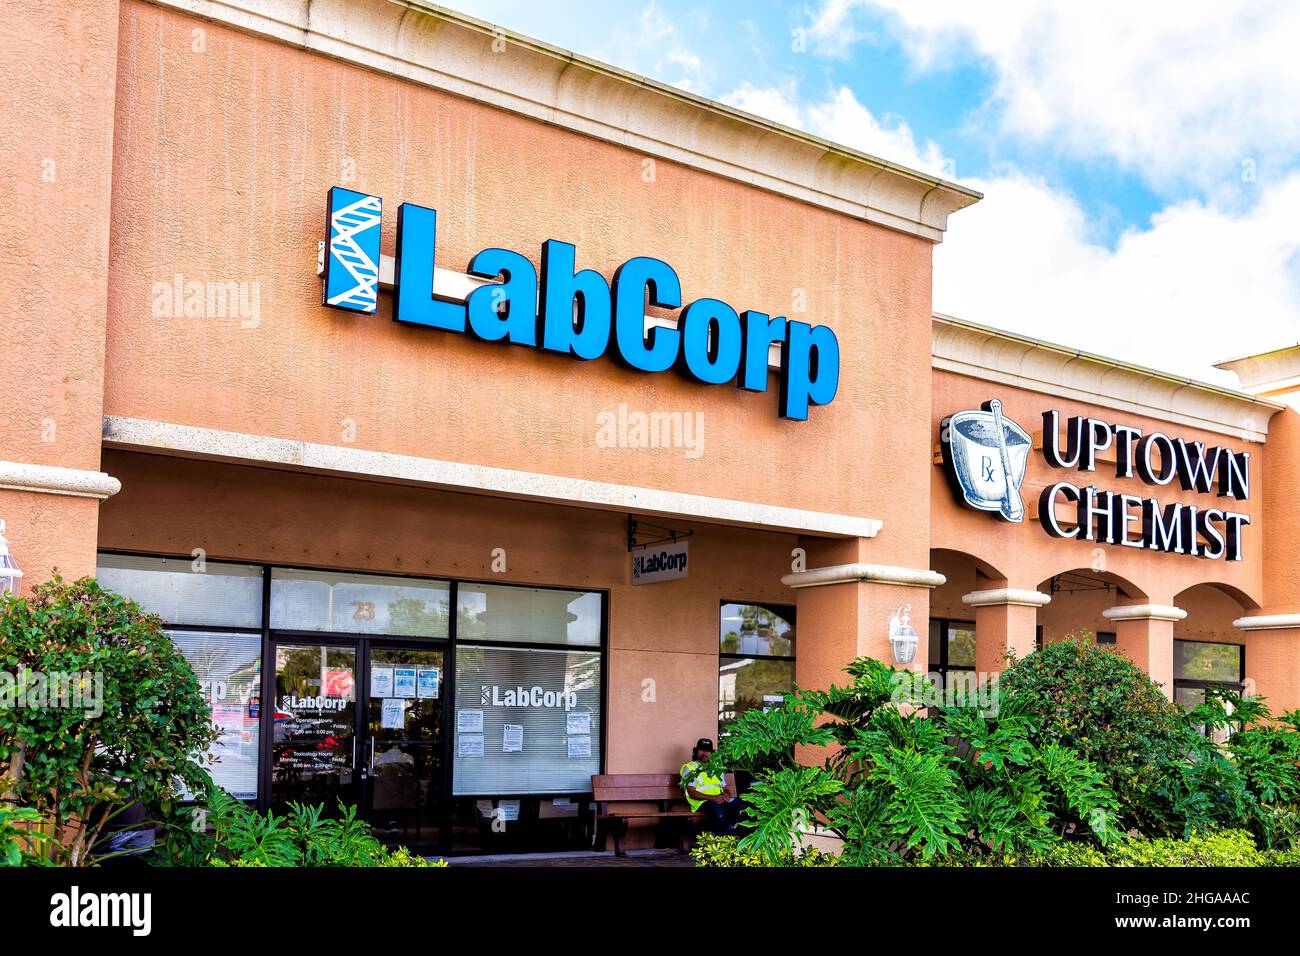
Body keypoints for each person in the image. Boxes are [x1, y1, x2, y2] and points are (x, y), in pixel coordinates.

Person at [680, 737, 745, 835]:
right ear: (696, 751)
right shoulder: (690, 768)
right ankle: (723, 839)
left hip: (720, 800)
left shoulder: (716, 768)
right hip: (702, 802)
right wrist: (714, 798)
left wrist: (727, 795)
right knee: (720, 814)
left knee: (743, 810)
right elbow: (691, 792)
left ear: (712, 753)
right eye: (702, 750)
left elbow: (725, 788)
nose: (704, 753)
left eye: (707, 751)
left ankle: (725, 837)